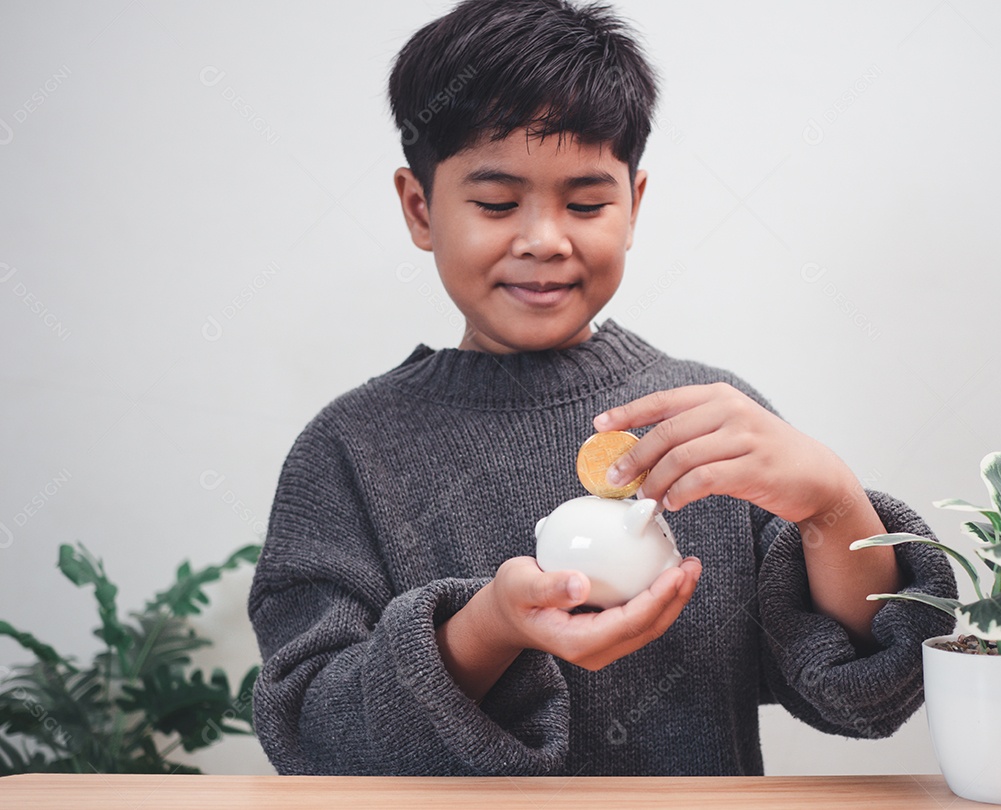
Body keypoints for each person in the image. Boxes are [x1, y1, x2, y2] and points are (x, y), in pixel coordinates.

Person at [247, 0, 957, 776]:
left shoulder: (708, 423)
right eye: (495, 203)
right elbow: (312, 736)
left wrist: (831, 500)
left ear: (633, 206)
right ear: (421, 208)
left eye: (586, 203)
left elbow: (865, 693)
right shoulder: (350, 450)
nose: (545, 239)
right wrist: (489, 627)